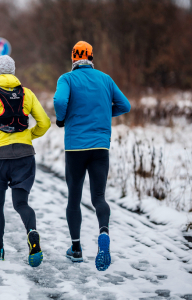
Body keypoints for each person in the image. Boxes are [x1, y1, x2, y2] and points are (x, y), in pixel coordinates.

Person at [53, 41, 131, 271]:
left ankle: (76, 249)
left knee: (74, 198)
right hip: (100, 147)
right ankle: (103, 232)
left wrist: (61, 119)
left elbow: (59, 101)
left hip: (75, 147)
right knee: (99, 197)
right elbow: (125, 105)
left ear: (73, 58)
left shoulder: (66, 79)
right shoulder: (105, 79)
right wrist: (107, 112)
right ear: (91, 58)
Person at [0, 55, 51, 267]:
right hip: (25, 156)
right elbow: (45, 122)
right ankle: (32, 233)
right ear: (13, 72)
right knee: (21, 203)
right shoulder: (27, 94)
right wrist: (28, 136)